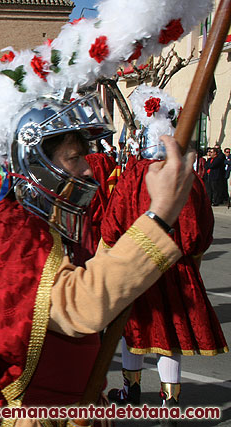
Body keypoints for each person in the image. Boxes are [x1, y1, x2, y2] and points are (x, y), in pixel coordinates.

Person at [0, 2, 210, 423]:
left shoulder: (38, 224)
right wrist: (159, 216)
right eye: (75, 156)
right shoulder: (6, 231)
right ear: (37, 159)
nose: (85, 168)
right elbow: (80, 307)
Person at [103, 86, 227, 412]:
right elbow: (201, 229)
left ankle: (131, 392)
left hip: (137, 265)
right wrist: (192, 255)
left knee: (135, 331)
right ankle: (170, 402)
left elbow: (112, 224)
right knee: (169, 339)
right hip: (178, 268)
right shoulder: (190, 178)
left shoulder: (132, 176)